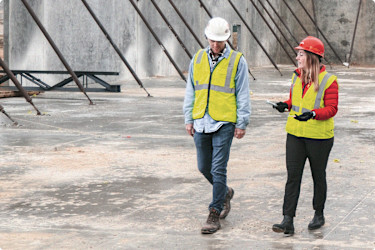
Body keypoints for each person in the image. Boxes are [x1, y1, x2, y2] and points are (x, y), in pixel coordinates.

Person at [183, 17, 251, 234]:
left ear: (227, 39)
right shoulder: (198, 59)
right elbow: (191, 90)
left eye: (219, 41)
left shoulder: (237, 61)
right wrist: (189, 118)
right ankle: (225, 192)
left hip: (224, 122)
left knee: (218, 168)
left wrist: (242, 122)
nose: (215, 45)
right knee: (204, 167)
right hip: (201, 120)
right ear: (207, 37)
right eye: (212, 40)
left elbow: (243, 93)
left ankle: (214, 212)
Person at [271, 36, 339, 236]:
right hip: (295, 135)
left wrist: (314, 114)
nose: (297, 57)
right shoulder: (296, 76)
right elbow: (295, 100)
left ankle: (319, 214)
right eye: (298, 54)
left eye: (300, 54)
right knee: (293, 177)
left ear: (311, 57)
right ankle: (287, 220)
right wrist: (285, 104)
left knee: (318, 176)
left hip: (319, 137)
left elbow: (332, 108)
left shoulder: (329, 80)